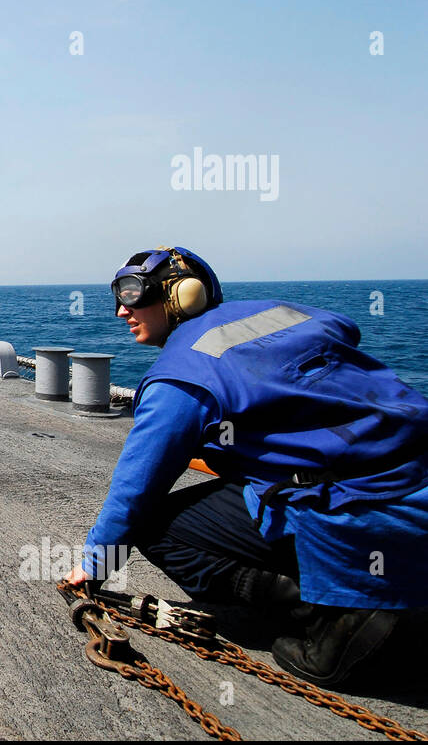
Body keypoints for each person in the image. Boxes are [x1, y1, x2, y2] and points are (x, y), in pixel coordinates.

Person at [64, 246, 428, 686]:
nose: (122, 310)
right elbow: (343, 331)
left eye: (133, 295)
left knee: (152, 525)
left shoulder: (180, 377)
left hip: (357, 507)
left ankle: (334, 612)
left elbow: (136, 487)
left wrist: (96, 562)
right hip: (416, 479)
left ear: (183, 295)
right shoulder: (284, 313)